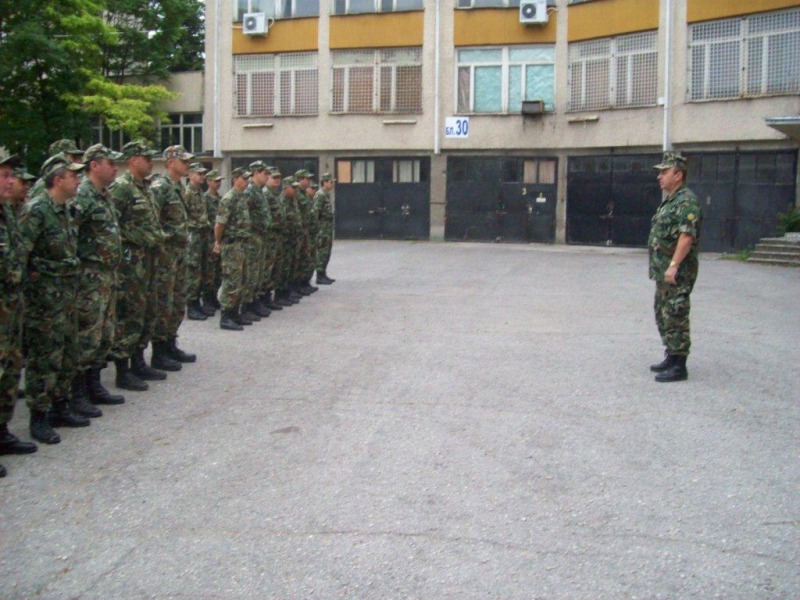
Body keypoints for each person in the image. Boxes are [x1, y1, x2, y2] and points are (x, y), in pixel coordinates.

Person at [18, 155, 89, 444]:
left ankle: (61, 406)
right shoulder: (36, 211)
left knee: (67, 353)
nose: (78, 180)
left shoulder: (67, 209)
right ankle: (39, 416)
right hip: (44, 300)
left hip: (67, 296)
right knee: (44, 357)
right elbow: (22, 256)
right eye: (73, 176)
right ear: (58, 179)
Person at [71, 144, 126, 416]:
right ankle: (76, 392)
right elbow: (71, 237)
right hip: (89, 276)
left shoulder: (104, 195)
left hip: (107, 275)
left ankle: (94, 384)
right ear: (94, 165)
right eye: (110, 162)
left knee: (103, 334)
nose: (116, 167)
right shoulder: (82, 195)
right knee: (86, 334)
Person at [109, 141, 167, 391]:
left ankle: (138, 360)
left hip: (149, 259)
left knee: (147, 311)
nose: (151, 161)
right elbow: (113, 225)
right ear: (133, 159)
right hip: (132, 263)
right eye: (146, 157)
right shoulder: (121, 188)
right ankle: (123, 369)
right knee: (130, 313)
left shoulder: (146, 187)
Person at [648, 152, 702, 383]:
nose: (660, 176)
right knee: (663, 313)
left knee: (676, 313)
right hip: (664, 271)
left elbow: (686, 237)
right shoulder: (670, 200)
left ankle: (680, 365)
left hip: (677, 272)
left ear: (678, 175)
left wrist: (673, 266)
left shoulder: (686, 201)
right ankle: (671, 354)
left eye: (664, 172)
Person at [0, 153, 38, 477]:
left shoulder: (9, 213)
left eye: (11, 175)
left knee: (10, 371)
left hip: (11, 309)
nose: (11, 181)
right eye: (5, 175)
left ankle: (2, 432)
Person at [150, 145, 196, 369]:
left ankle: (170, 343)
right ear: (170, 162)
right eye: (183, 161)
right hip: (165, 255)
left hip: (178, 253)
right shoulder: (160, 187)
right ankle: (159, 352)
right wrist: (168, 237)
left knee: (178, 301)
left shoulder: (178, 186)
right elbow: (152, 222)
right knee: (164, 303)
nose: (187, 164)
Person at [214, 167, 252, 331]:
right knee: (231, 280)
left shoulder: (241, 197)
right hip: (231, 244)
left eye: (247, 179)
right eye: (244, 178)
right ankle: (226, 315)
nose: (247, 181)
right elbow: (220, 224)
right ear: (235, 179)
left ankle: (235, 312)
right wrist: (218, 241)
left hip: (242, 244)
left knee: (241, 279)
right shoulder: (229, 198)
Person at [184, 162, 210, 321]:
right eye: (199, 174)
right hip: (193, 236)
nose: (202, 177)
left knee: (202, 270)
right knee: (193, 270)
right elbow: (183, 217)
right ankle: (191, 304)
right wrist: (197, 225)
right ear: (190, 175)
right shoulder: (187, 193)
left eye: (203, 174)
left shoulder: (200, 192)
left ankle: (198, 301)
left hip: (203, 236)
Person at [202, 170, 224, 315]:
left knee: (218, 271)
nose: (218, 183)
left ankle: (214, 296)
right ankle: (207, 300)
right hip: (209, 239)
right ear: (208, 181)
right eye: (215, 181)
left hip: (219, 238)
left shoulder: (220, 198)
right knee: (209, 271)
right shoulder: (205, 198)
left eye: (219, 181)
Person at [314, 173, 336, 284]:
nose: (332, 184)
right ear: (325, 182)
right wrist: (317, 229)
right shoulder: (320, 195)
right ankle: (319, 275)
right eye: (331, 182)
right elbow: (316, 212)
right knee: (322, 252)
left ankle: (323, 273)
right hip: (322, 230)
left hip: (327, 229)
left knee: (326, 252)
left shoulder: (326, 195)